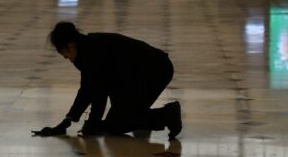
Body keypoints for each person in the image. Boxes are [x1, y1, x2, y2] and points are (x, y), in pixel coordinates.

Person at [32, 22, 182, 139]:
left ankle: (167, 115)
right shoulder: (86, 47)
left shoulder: (90, 53)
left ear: (70, 47)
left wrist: (92, 124)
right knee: (115, 119)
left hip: (155, 71)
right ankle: (143, 116)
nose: (68, 60)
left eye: (66, 56)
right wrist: (70, 118)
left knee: (116, 125)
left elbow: (99, 93)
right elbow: (87, 88)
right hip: (141, 74)